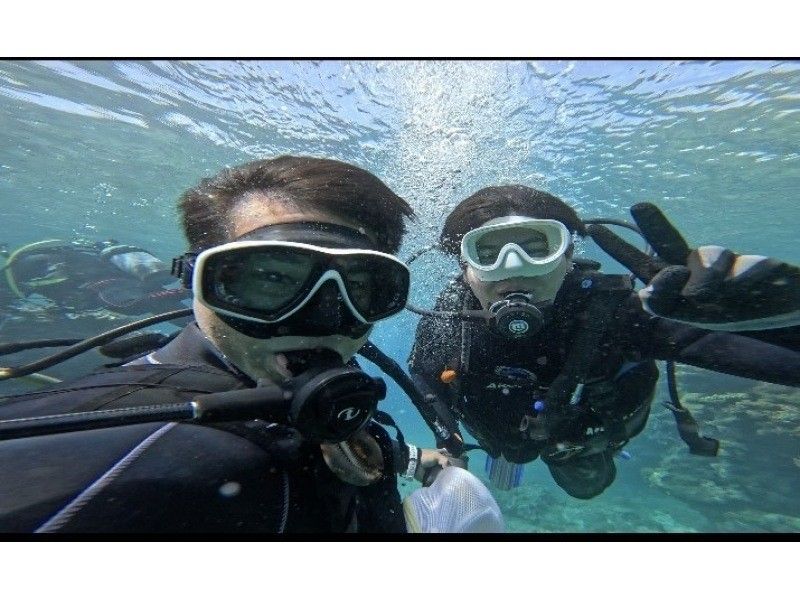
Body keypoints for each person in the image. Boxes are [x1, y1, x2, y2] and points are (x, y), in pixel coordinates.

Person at [0, 156, 461, 534]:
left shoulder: (303, 396)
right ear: (201, 282)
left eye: (360, 286)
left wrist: (412, 459)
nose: (323, 320)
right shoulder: (157, 452)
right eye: (272, 278)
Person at [408, 185, 800, 499]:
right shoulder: (446, 323)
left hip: (582, 441)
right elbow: (424, 379)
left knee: (586, 488)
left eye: (537, 247)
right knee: (510, 457)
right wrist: (450, 445)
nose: (514, 268)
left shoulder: (619, 312)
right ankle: (508, 458)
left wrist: (780, 320)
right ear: (465, 267)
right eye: (488, 253)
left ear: (567, 256)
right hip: (500, 434)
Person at [0, 237, 190, 321]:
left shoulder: (18, 270)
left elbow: (55, 274)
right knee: (159, 308)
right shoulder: (16, 273)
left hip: (106, 284)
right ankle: (193, 290)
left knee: (132, 306)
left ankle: (190, 289)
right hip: (114, 282)